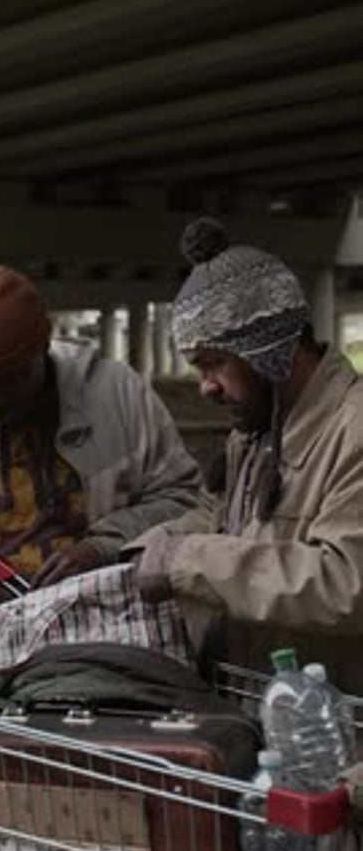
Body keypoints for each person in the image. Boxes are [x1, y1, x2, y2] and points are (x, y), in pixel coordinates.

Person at [0, 265, 201, 615]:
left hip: (108, 627)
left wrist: (103, 547)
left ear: (43, 347)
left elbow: (186, 499)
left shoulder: (117, 396)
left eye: (10, 379)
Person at [131, 217, 363, 693]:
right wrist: (154, 543)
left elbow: (346, 584)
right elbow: (231, 527)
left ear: (271, 351)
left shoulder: (353, 430)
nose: (205, 387)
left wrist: (185, 560)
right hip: (265, 707)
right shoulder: (259, 428)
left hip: (334, 734)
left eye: (214, 363)